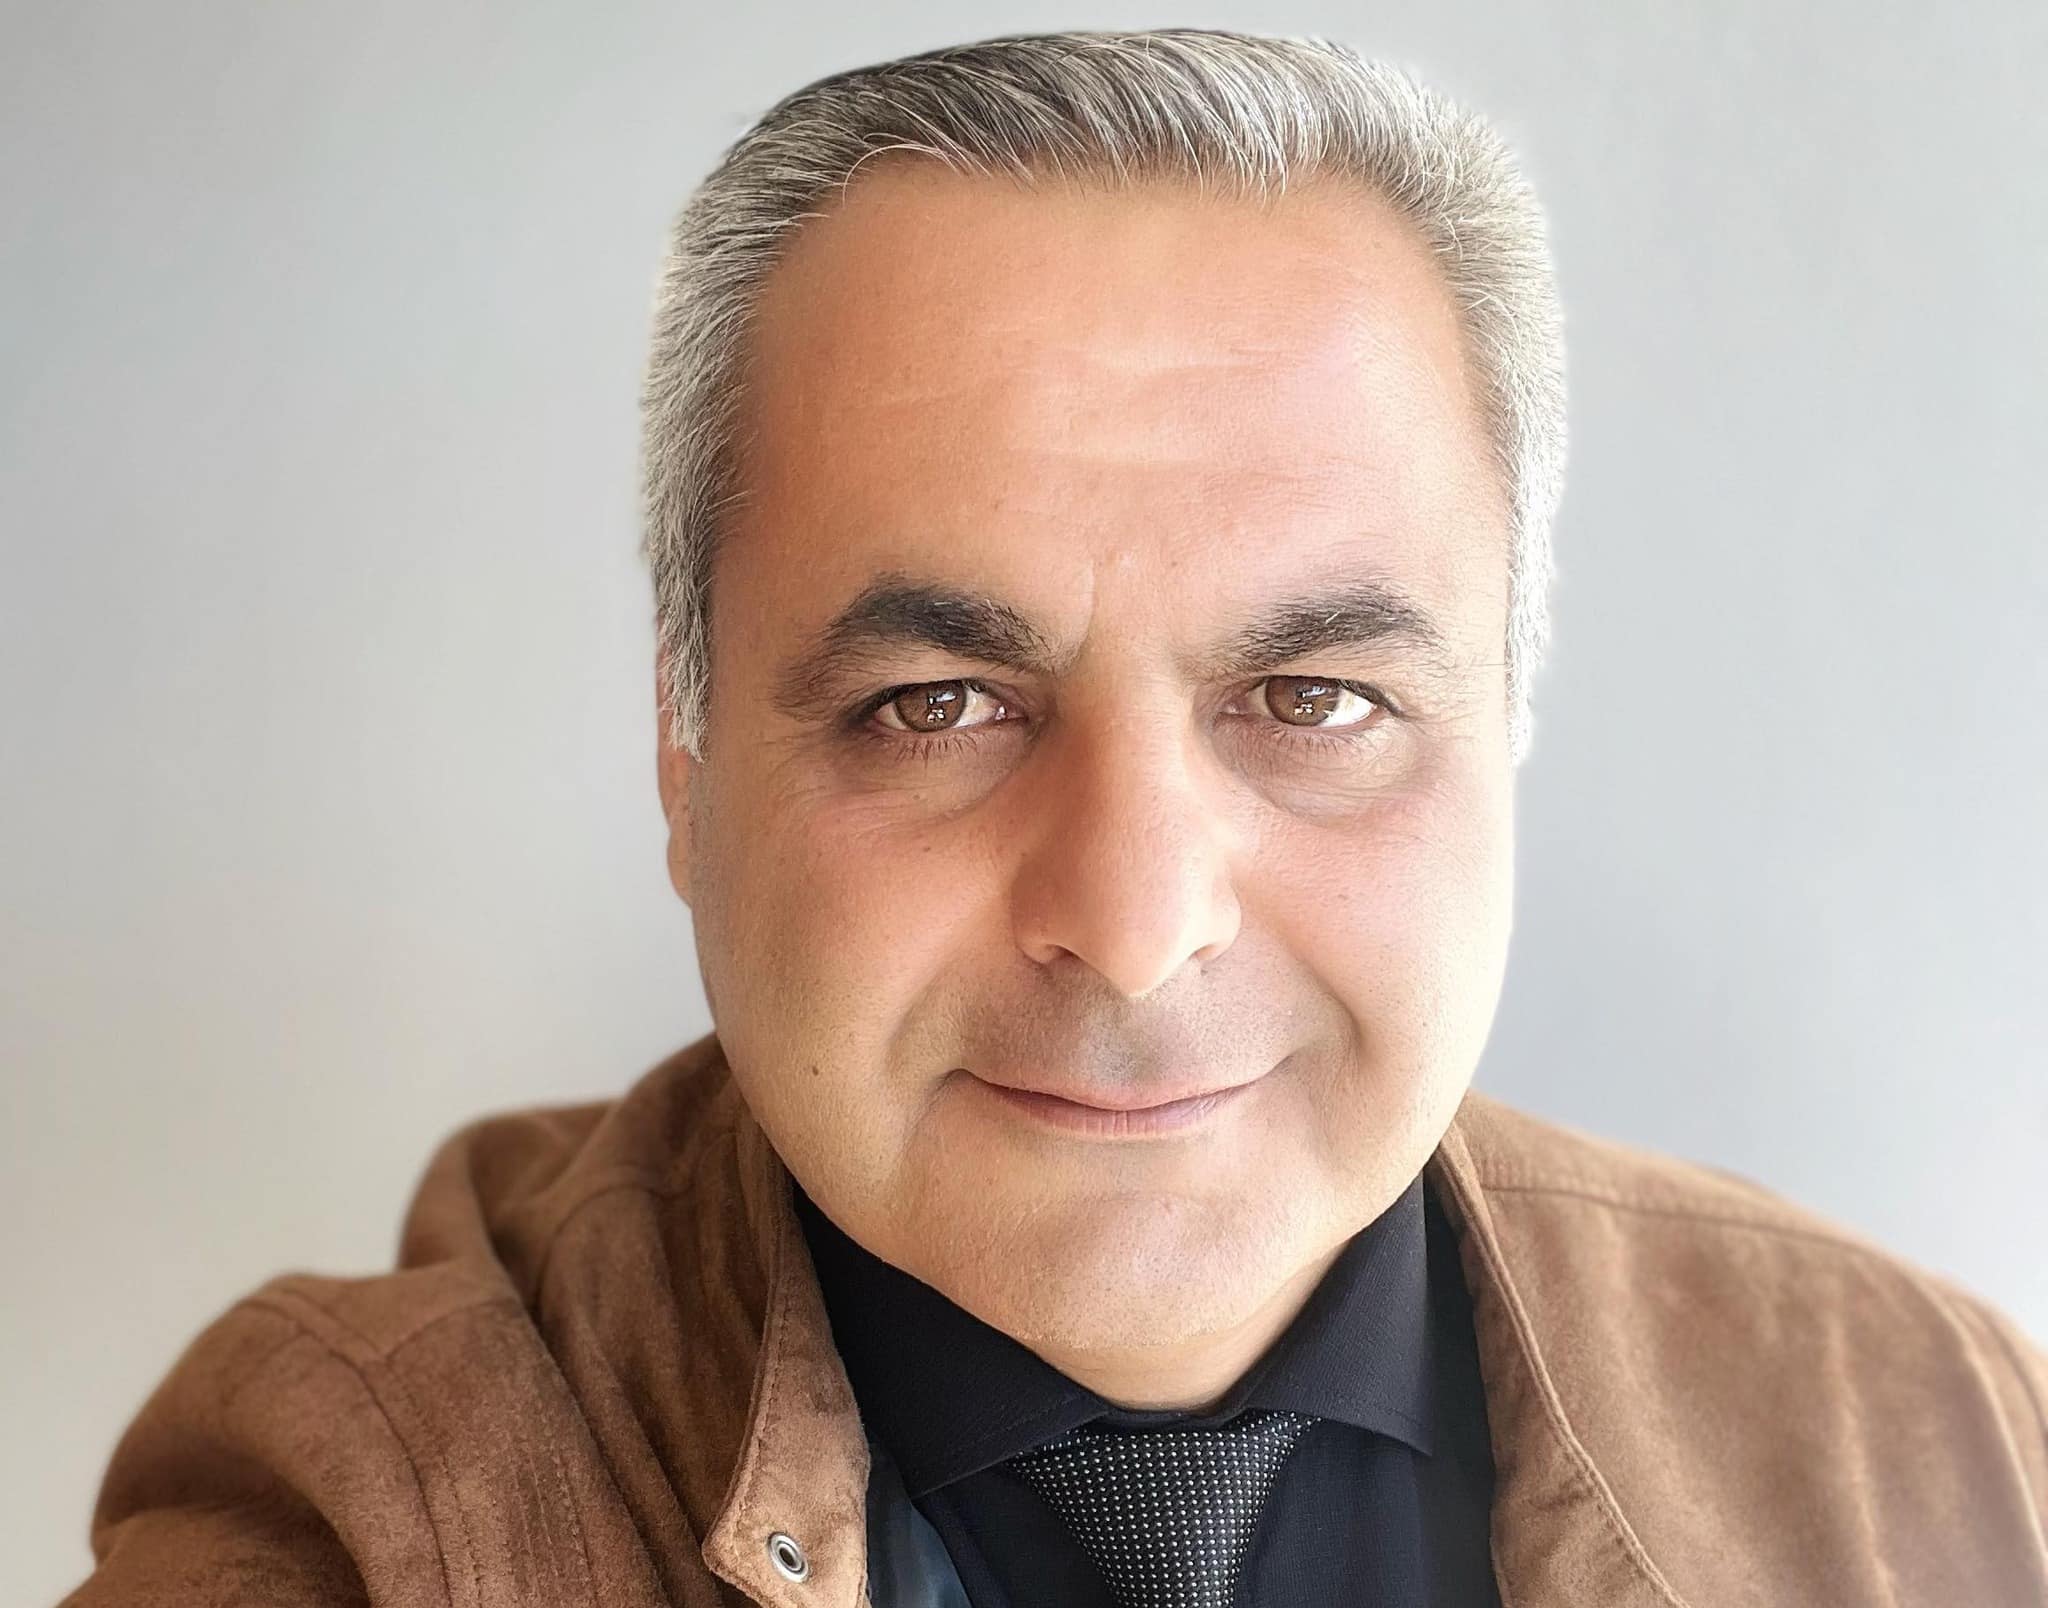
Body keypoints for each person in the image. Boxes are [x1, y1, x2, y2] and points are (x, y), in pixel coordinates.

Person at [60, 27, 2046, 1608]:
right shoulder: (363, 1522)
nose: (1136, 916)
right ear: (686, 761)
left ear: (1504, 725)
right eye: (936, 705)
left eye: (1316, 699)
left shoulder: (1946, 1446)